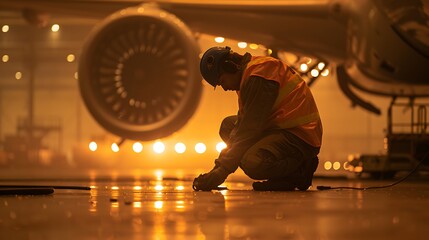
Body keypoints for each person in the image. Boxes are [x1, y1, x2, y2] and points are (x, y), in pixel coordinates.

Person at [192, 46, 322, 191]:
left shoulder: (259, 76)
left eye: (222, 81)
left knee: (252, 163)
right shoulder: (249, 75)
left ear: (230, 66)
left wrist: (221, 172)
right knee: (228, 127)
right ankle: (283, 176)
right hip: (281, 128)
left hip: (300, 136)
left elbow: (248, 130)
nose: (224, 88)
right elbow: (242, 128)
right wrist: (218, 167)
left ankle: (300, 171)